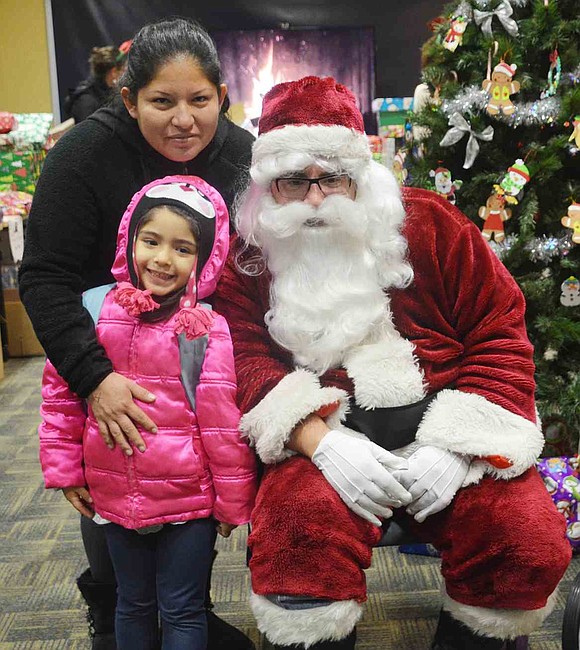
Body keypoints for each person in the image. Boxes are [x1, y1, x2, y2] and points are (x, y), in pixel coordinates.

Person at [212, 75, 573, 650]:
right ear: (265, 187)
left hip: (452, 426)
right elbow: (241, 359)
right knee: (296, 536)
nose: (314, 198)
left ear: (362, 176)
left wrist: (462, 445)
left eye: (332, 177)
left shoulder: (434, 226)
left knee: (520, 536)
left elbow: (498, 330)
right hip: (327, 437)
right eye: (292, 181)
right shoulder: (249, 254)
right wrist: (317, 439)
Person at [19, 17, 255, 650]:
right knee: (113, 494)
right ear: (128, 99)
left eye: (199, 100)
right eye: (162, 101)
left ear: (221, 96)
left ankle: (187, 611)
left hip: (198, 359)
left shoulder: (241, 155)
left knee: (189, 502)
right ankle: (114, 611)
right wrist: (94, 379)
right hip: (106, 358)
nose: (184, 119)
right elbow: (44, 278)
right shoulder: (85, 155)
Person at [38, 175, 257, 650]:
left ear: (206, 257)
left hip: (188, 500)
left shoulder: (205, 329)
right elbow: (61, 395)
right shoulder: (96, 311)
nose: (161, 259)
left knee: (182, 608)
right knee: (131, 603)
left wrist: (231, 501)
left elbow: (221, 422)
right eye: (150, 241)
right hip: (115, 494)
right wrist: (65, 471)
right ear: (129, 239)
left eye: (182, 248)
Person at [63, 42, 130, 123]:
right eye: (123, 70)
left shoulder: (110, 93)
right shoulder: (86, 101)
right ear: (114, 72)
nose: (125, 74)